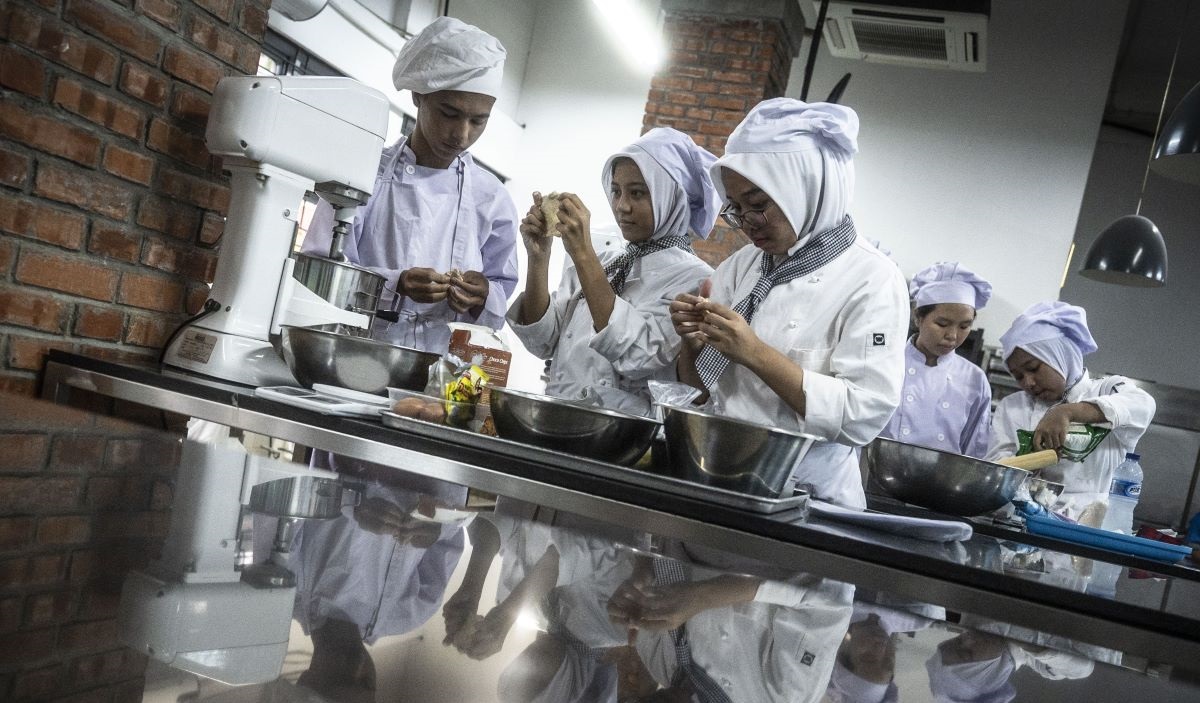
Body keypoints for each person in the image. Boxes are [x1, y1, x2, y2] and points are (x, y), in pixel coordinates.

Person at [669, 98, 909, 508]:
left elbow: (863, 416)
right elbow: (699, 391)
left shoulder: (872, 279)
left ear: (808, 189)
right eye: (737, 209)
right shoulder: (742, 267)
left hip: (807, 500)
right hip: (721, 478)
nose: (747, 223)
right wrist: (692, 344)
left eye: (759, 205)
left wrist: (754, 352)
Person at [303, 16, 518, 353]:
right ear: (419, 96)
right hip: (353, 353)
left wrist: (483, 294)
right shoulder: (361, 175)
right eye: (449, 113)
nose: (462, 135)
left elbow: (500, 297)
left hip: (440, 370)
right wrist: (395, 284)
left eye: (478, 121)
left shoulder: (492, 199)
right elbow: (317, 274)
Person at [507, 128, 718, 416]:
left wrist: (582, 255)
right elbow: (544, 341)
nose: (622, 206)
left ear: (672, 197)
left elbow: (637, 356)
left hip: (625, 436)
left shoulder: (695, 279)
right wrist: (539, 258)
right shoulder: (604, 252)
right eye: (616, 191)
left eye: (638, 193)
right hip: (558, 414)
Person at [985, 301, 1155, 522]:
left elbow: (1143, 405)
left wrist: (1068, 412)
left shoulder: (1107, 389)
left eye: (1034, 368)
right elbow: (996, 464)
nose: (1028, 382)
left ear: (1059, 354)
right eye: (1018, 376)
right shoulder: (1013, 406)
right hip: (1020, 520)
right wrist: (1026, 465)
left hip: (1088, 524)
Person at [880, 262, 993, 457]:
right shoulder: (886, 361)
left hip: (941, 484)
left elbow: (974, 451)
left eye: (964, 326)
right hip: (876, 477)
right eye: (942, 324)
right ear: (918, 318)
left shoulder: (975, 379)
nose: (952, 335)